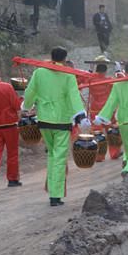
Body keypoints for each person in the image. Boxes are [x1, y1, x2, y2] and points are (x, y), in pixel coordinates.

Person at [23, 47, 89, 206]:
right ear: (65, 59)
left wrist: (26, 106)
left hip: (44, 120)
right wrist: (80, 115)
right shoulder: (68, 74)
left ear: (50, 57)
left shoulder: (39, 72)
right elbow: (73, 96)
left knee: (52, 155)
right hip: (61, 121)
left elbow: (30, 91)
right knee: (59, 157)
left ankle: (52, 188)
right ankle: (55, 195)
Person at [87, 63, 122, 160]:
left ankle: (99, 156)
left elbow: (83, 78)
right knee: (113, 132)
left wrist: (90, 71)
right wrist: (118, 71)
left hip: (95, 110)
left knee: (97, 133)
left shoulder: (91, 80)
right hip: (108, 110)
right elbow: (121, 81)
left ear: (96, 70)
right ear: (105, 71)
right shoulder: (109, 81)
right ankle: (114, 153)